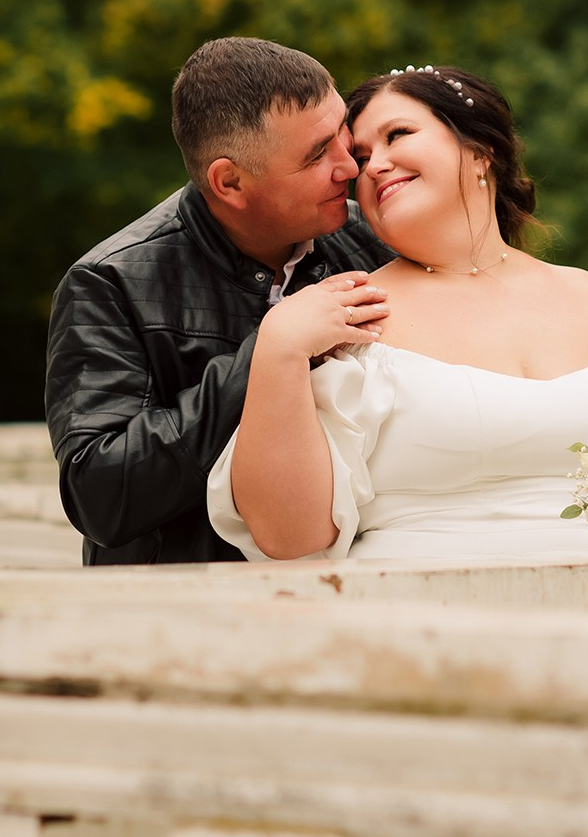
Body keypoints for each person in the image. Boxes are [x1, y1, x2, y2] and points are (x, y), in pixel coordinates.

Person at [208, 64, 588, 561]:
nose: (375, 167)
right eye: (364, 158)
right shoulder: (353, 313)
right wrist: (278, 346)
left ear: (480, 150)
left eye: (397, 136)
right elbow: (289, 537)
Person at [45, 37, 395, 565]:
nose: (351, 167)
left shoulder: (376, 241)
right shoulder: (110, 283)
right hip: (192, 618)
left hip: (359, 597)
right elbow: (102, 496)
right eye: (318, 154)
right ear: (229, 181)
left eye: (342, 133)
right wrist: (270, 353)